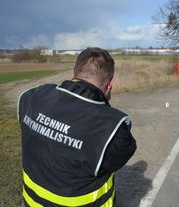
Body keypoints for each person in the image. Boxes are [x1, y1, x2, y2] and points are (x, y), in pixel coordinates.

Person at [18, 47, 137, 207]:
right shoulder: (112, 127)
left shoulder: (32, 96)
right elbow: (118, 157)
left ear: (73, 74)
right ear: (109, 83)